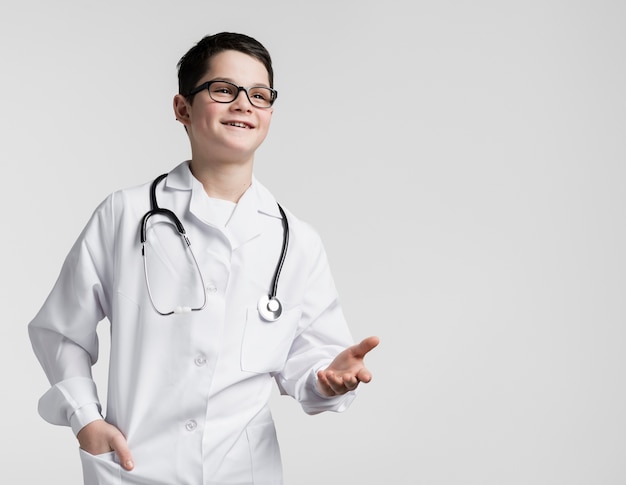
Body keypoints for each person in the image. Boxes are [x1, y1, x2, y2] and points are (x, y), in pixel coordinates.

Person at [28, 32, 379, 485]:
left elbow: (308, 369)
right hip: (134, 468)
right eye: (223, 90)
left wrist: (329, 378)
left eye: (259, 95)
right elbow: (59, 331)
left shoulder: (296, 241)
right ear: (182, 109)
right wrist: (85, 419)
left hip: (244, 471)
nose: (243, 104)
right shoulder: (125, 215)